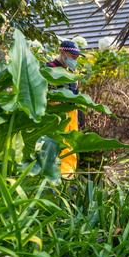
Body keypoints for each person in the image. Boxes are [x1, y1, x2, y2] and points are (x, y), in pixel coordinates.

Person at [46, 40, 84, 176]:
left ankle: (68, 178)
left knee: (70, 147)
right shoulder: (48, 69)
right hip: (56, 114)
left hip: (71, 115)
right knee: (56, 147)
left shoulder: (72, 72)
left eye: (76, 58)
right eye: (72, 57)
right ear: (62, 52)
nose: (74, 60)